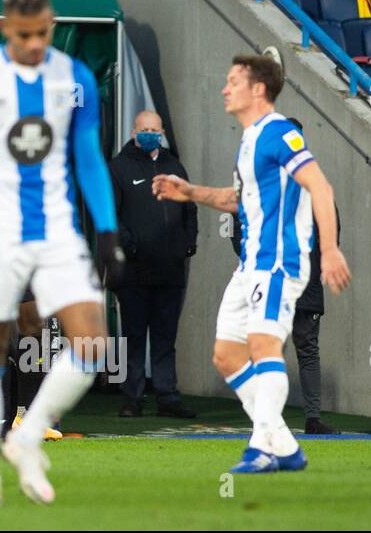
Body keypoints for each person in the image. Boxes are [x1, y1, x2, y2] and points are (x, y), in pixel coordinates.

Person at [0, 0, 124, 506]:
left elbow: (87, 159)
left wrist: (106, 230)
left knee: (92, 344)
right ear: (4, 29)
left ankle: (27, 432)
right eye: (25, 35)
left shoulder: (73, 77)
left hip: (59, 230)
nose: (37, 44)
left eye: (44, 33)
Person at [153, 54, 351, 474]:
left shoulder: (280, 133)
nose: (224, 89)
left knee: (263, 348)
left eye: (232, 82)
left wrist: (330, 250)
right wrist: (188, 191)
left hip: (279, 262)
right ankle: (284, 444)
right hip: (249, 266)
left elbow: (320, 185)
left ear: (257, 89)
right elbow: (235, 199)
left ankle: (263, 446)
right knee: (226, 355)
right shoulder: (249, 139)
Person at [229, 124, 342, 437]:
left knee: (304, 347)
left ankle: (311, 417)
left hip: (300, 282)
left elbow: (331, 231)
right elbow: (240, 233)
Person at [108, 111, 198, 419]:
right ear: (134, 132)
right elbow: (110, 214)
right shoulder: (119, 168)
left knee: (165, 337)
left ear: (161, 133)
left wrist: (188, 242)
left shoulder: (174, 166)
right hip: (133, 271)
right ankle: (131, 397)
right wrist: (130, 245)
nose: (149, 133)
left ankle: (167, 395)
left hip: (170, 270)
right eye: (144, 129)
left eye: (154, 130)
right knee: (134, 336)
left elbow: (190, 208)